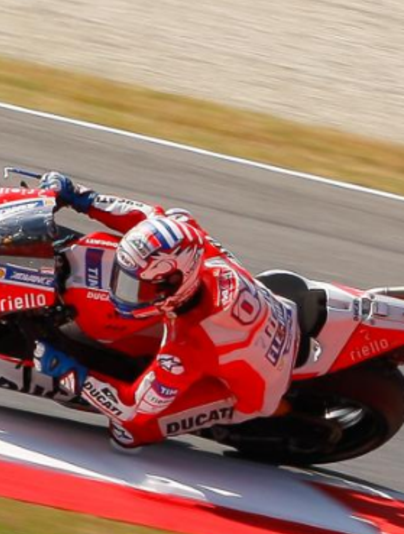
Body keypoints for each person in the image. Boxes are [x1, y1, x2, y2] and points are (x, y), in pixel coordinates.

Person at [34, 172, 300, 452]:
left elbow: (130, 408)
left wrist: (67, 371)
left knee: (129, 433)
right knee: (172, 216)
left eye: (142, 288)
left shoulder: (186, 347)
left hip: (253, 390)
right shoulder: (195, 246)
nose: (130, 293)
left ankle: (246, 411)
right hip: (273, 317)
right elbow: (147, 217)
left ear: (176, 282)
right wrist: (80, 197)